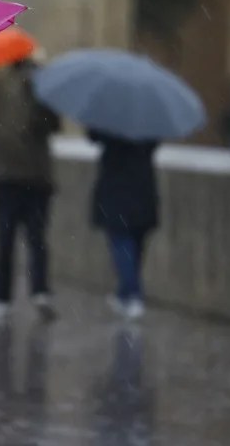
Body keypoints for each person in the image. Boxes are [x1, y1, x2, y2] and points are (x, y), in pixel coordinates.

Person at [0, 56, 60, 321]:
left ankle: (3, 298)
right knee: (33, 239)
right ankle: (35, 292)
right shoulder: (26, 87)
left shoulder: (8, 86)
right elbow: (53, 125)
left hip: (9, 176)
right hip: (30, 177)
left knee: (10, 240)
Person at [88, 129, 160, 319]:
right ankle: (123, 293)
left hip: (117, 188)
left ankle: (133, 295)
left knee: (121, 241)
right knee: (135, 243)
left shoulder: (110, 119)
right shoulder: (148, 118)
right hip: (143, 187)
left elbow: (93, 136)